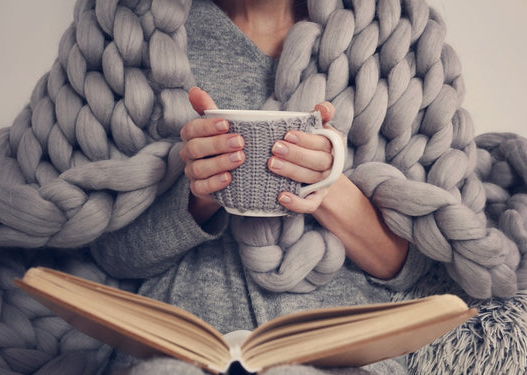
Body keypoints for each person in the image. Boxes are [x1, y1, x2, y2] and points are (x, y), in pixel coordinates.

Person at [91, 0, 432, 373]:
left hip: (342, 352)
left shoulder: (391, 35)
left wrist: (328, 184)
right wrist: (201, 195)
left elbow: (408, 265)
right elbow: (114, 256)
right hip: (179, 345)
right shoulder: (139, 33)